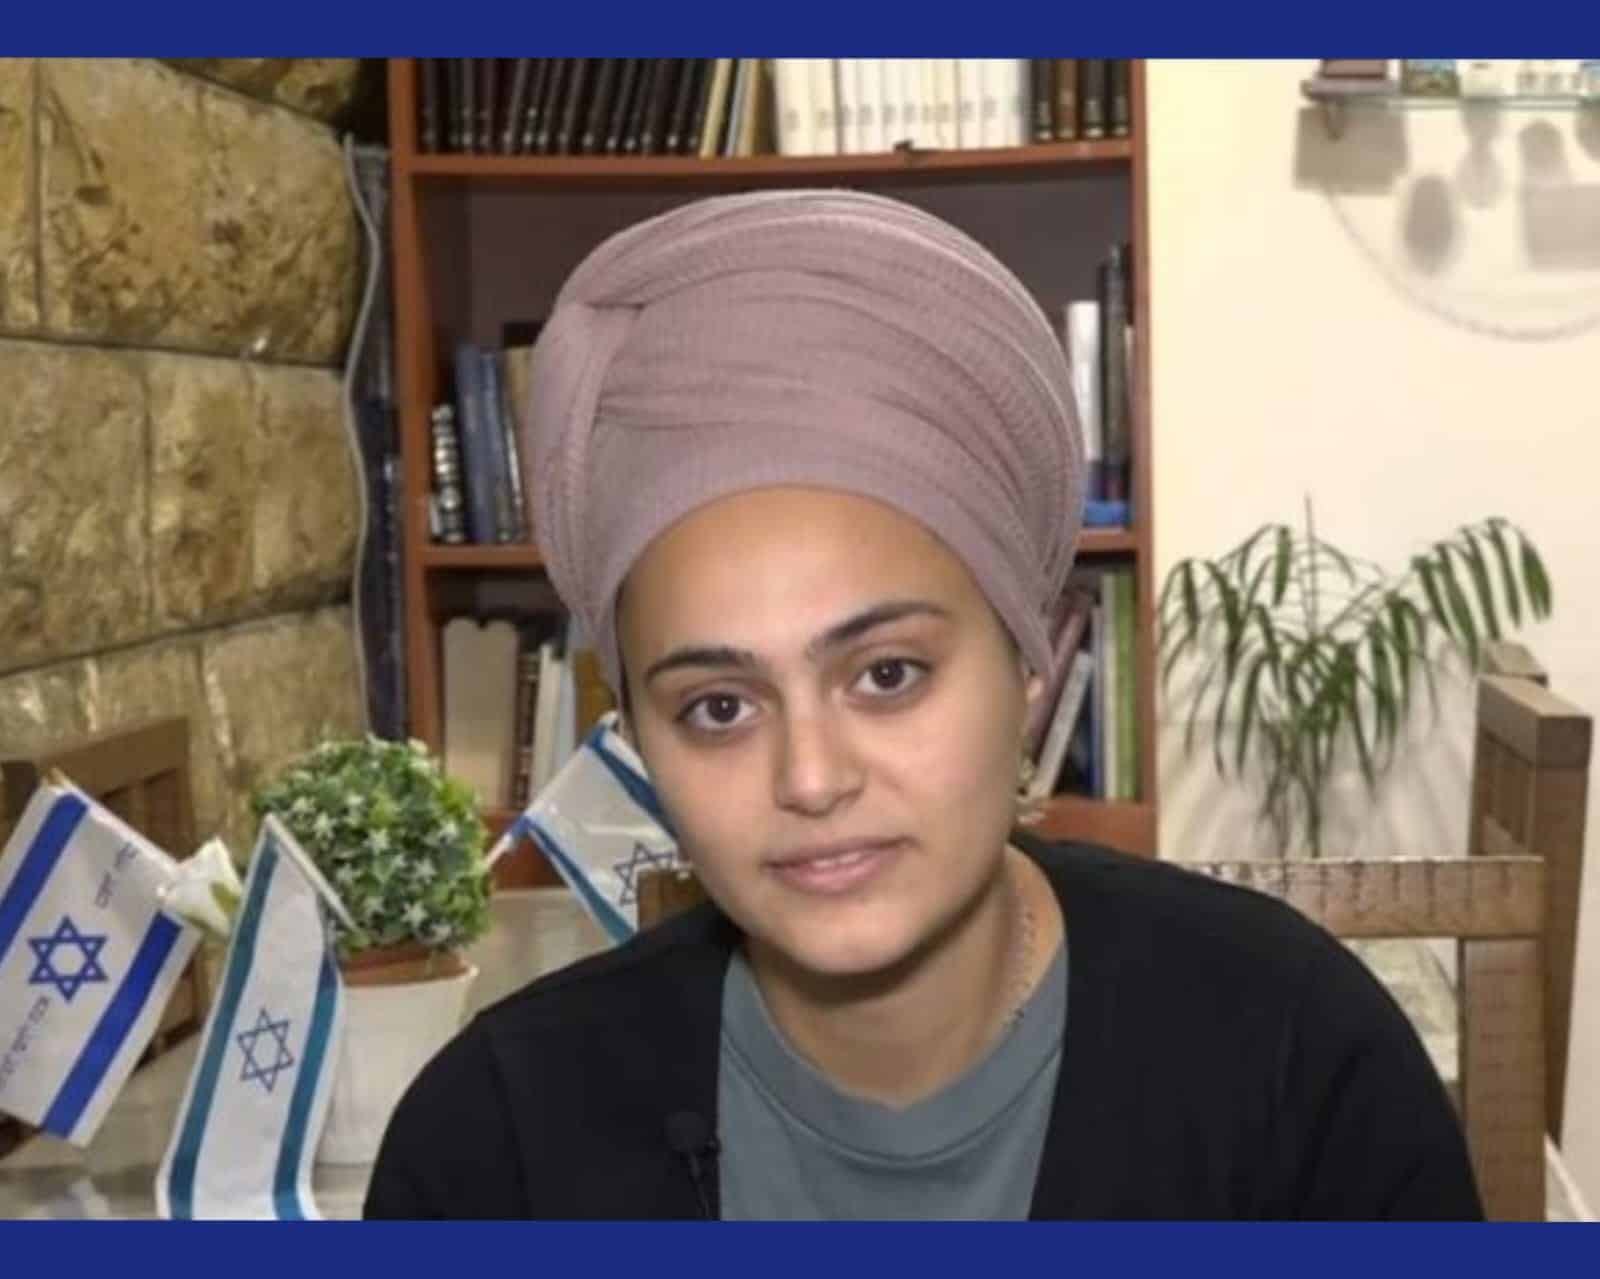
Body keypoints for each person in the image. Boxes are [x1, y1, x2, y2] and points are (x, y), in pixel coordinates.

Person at [363, 189, 1483, 1221]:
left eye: (887, 674)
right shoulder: (491, 1152)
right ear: (638, 740)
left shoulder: (1300, 1073)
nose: (811, 778)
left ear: (1031, 662)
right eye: (718, 707)